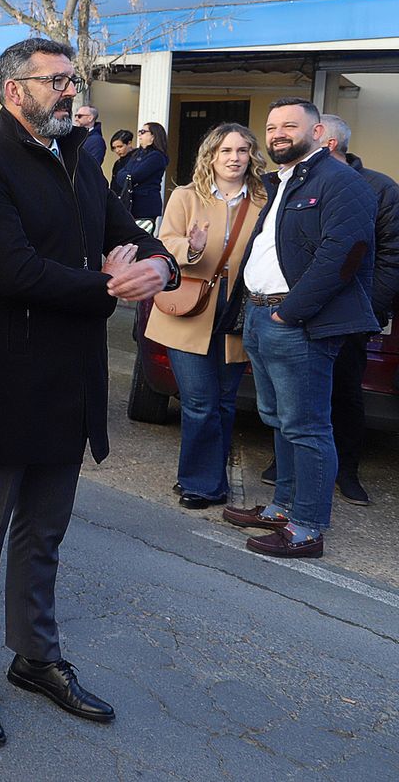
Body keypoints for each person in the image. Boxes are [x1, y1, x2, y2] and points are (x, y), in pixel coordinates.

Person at [0, 37, 176, 747]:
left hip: (70, 382)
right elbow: (15, 272)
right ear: (17, 91)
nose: (72, 91)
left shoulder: (79, 160)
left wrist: (158, 267)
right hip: (6, 380)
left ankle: (34, 656)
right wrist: (110, 283)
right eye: (59, 81)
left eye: (72, 80)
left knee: (44, 533)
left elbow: (130, 235)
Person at [219, 99, 376, 559]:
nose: (278, 133)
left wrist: (289, 314)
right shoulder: (282, 182)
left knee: (307, 427)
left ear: (319, 131)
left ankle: (306, 527)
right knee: (280, 420)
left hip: (297, 323)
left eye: (290, 125)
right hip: (262, 316)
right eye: (271, 127)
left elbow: (342, 258)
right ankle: (283, 507)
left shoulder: (341, 182)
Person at [148, 123, 266, 509]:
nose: (234, 158)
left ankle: (211, 482)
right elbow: (164, 244)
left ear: (251, 156)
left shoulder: (265, 198)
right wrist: (191, 247)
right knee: (199, 402)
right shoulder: (186, 196)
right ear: (211, 156)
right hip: (191, 309)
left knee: (224, 403)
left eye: (242, 151)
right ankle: (200, 483)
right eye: (226, 151)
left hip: (239, 312)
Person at [317, 115, 399, 505]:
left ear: (328, 143)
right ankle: (288, 466)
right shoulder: (300, 182)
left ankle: (347, 470)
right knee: (299, 392)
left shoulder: (382, 190)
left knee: (346, 393)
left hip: (351, 316)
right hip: (303, 311)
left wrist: (368, 310)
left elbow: (392, 258)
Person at [113, 120, 169, 233]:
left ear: (153, 136)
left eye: (143, 132)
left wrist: (127, 175)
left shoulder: (157, 156)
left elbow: (135, 175)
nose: (139, 134)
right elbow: (121, 175)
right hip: (131, 204)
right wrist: (127, 175)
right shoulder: (137, 154)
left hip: (145, 206)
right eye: (139, 131)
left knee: (141, 240)